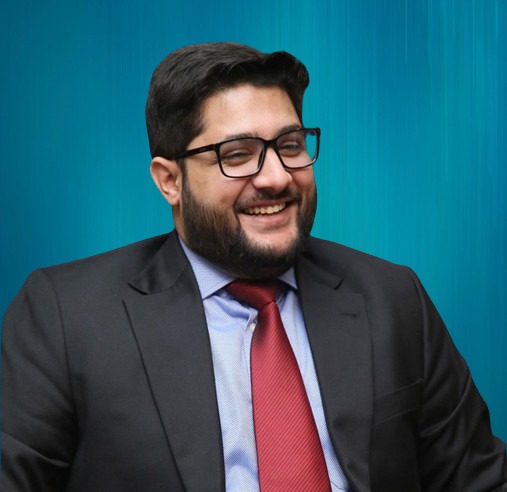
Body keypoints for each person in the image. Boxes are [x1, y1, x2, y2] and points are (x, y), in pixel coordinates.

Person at [1, 42, 506, 492]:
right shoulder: (66, 316)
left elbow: (480, 480)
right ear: (169, 181)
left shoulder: (391, 296)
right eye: (237, 155)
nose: (276, 177)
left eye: (290, 146)